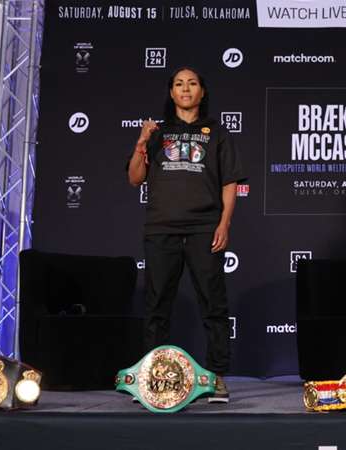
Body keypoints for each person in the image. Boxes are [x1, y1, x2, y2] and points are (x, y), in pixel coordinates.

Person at [127, 66, 245, 403]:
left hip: (204, 228)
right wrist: (140, 142)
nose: (186, 88)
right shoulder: (156, 132)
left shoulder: (218, 132)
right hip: (162, 227)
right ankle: (152, 378)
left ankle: (217, 377)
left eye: (192, 83)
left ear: (202, 92)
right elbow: (136, 179)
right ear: (171, 92)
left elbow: (229, 182)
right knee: (157, 306)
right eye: (179, 84)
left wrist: (224, 224)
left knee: (213, 304)